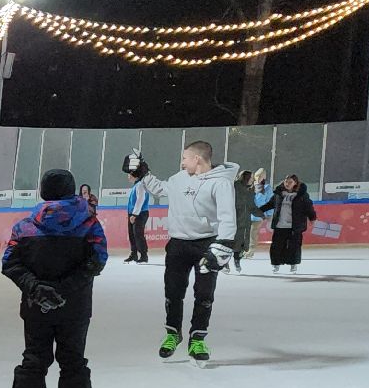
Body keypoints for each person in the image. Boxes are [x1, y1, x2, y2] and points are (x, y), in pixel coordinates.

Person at [2, 170, 109, 388]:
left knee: (35, 354)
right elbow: (97, 260)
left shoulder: (25, 226)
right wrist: (64, 289)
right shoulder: (89, 224)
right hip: (75, 306)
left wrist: (37, 289)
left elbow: (10, 263)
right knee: (73, 358)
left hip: (36, 305)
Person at [132, 141, 238, 365]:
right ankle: (173, 333)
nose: (182, 162)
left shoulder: (221, 183)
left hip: (206, 245)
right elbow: (161, 188)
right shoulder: (179, 178)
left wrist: (223, 245)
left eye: (185, 158)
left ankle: (197, 338)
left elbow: (228, 216)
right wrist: (144, 174)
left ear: (197, 159)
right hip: (178, 244)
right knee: (173, 291)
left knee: (204, 294)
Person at [259, 173, 315, 273]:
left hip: (295, 226)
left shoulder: (302, 195)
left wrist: (312, 218)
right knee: (276, 246)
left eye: (290, 182)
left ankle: (293, 265)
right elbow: (270, 204)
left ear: (295, 183)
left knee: (294, 247)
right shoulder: (278, 194)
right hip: (280, 225)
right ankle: (276, 264)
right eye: (286, 181)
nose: (287, 183)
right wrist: (259, 210)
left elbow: (309, 208)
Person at [124, 160, 157, 264]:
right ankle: (134, 254)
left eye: (130, 174)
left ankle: (143, 255)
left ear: (135, 175)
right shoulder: (136, 185)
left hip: (140, 213)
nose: (128, 176)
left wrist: (135, 214)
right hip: (133, 213)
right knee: (132, 234)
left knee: (138, 234)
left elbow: (140, 200)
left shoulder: (140, 185)